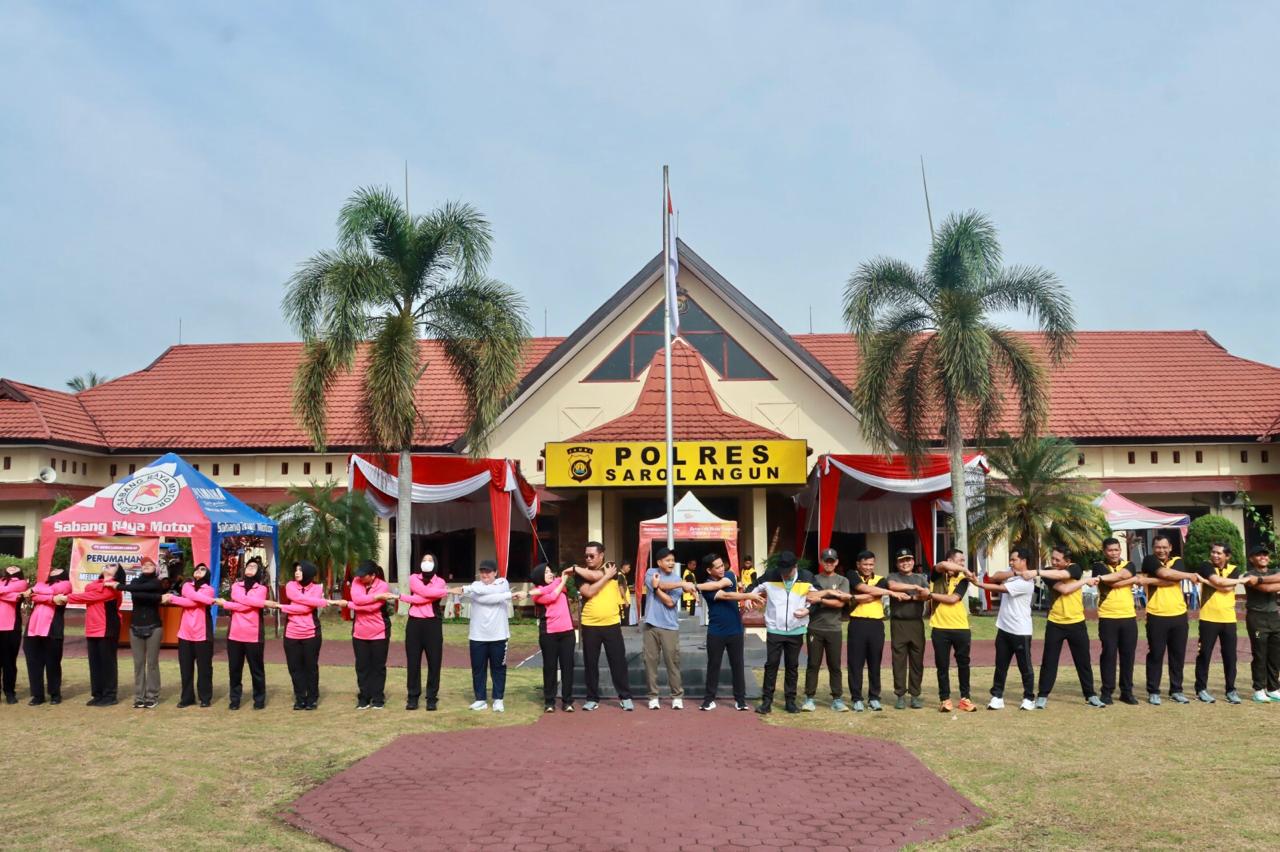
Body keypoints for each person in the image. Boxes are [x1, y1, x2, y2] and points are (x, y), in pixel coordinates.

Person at [748, 551, 825, 715]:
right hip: (775, 629)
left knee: (792, 666)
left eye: (788, 571)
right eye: (782, 570)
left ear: (795, 567)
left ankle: (790, 701)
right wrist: (748, 598)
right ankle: (766, 702)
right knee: (771, 665)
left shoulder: (807, 576)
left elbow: (819, 596)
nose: (784, 574)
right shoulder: (771, 575)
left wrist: (808, 610)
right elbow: (752, 587)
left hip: (796, 629)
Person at [1035, 546, 1104, 709]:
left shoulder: (1075, 568)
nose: (1054, 562)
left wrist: (1082, 580)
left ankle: (1090, 695)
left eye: (1058, 560)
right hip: (1055, 623)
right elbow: (1064, 589)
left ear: (1068, 561)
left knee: (1083, 662)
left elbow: (1066, 577)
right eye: (1053, 558)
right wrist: (1085, 582)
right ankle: (1042, 695)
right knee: (1049, 661)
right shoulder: (1048, 573)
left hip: (1077, 623)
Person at [971, 547, 1038, 710]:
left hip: (1020, 631)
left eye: (1014, 560)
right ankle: (997, 696)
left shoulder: (1027, 582)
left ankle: (1029, 698)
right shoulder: (1013, 573)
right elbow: (995, 577)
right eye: (1010, 559)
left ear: (1024, 561)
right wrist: (1014, 572)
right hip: (1003, 627)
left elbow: (1000, 588)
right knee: (1000, 665)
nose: (1011, 562)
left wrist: (978, 584)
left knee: (1025, 667)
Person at [695, 553, 762, 711]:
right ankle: (709, 700)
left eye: (721, 565)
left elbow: (724, 585)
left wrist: (695, 586)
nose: (721, 569)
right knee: (714, 665)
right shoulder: (707, 587)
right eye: (717, 567)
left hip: (735, 630)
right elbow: (725, 594)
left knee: (737, 664)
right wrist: (748, 595)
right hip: (716, 631)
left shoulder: (729, 575)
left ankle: (740, 700)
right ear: (709, 570)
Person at [1142, 534, 1203, 705]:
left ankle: (1176, 690)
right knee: (1156, 654)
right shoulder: (1149, 560)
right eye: (1158, 547)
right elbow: (1166, 575)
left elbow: (1171, 577)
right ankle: (1153, 691)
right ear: (1153, 548)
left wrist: (1147, 580)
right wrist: (1185, 575)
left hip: (1178, 615)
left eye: (1164, 547)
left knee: (1178, 655)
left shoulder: (1177, 561)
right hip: (1156, 614)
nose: (1161, 550)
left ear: (1170, 548)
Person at [573, 542, 634, 711]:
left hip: (611, 623)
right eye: (586, 556)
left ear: (601, 555)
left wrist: (575, 568)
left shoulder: (610, 566)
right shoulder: (581, 574)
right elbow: (589, 592)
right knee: (590, 663)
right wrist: (602, 576)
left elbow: (594, 579)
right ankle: (592, 698)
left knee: (618, 661)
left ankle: (625, 696)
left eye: (592, 555)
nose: (588, 559)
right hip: (589, 624)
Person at [846, 550, 908, 712]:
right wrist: (890, 592)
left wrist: (868, 593)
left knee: (875, 663)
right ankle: (857, 698)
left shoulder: (881, 579)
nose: (868, 567)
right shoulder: (851, 575)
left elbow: (869, 593)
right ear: (858, 564)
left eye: (871, 564)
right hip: (857, 623)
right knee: (855, 663)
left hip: (876, 625)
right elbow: (862, 588)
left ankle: (874, 697)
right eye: (865, 564)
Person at [333, 560, 396, 710]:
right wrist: (375, 597)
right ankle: (364, 697)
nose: (360, 578)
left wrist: (348, 605)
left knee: (378, 667)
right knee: (362, 666)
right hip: (360, 632)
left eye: (364, 576)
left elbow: (372, 609)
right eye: (359, 575)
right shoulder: (356, 581)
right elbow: (358, 599)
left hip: (379, 632)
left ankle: (378, 698)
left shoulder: (383, 586)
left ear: (373, 576)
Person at [1091, 537, 1146, 705]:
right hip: (1108, 617)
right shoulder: (1098, 566)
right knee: (1108, 654)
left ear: (1120, 551)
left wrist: (1120, 578)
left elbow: (1120, 576)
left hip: (1128, 617)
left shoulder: (1129, 564)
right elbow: (1114, 583)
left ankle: (1126, 691)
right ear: (1104, 551)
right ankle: (1107, 691)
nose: (1114, 553)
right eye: (1110, 550)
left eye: (1116, 550)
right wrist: (1133, 579)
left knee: (1128, 656)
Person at [60, 565, 125, 706]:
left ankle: (110, 696)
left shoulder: (114, 588)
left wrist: (66, 598)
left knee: (108, 663)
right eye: (107, 564)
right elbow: (90, 591)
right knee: (94, 663)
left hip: (108, 628)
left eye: (113, 565)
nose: (108, 564)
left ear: (118, 573)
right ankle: (98, 694)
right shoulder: (94, 585)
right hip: (92, 627)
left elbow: (91, 596)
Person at [1193, 541, 1249, 704]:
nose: (1215, 555)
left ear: (1227, 556)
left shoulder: (1233, 569)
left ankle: (1231, 690)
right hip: (1208, 618)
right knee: (1204, 655)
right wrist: (1239, 581)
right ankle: (1201, 689)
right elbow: (1221, 584)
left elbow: (1225, 588)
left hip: (1228, 619)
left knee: (1230, 656)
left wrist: (1205, 581)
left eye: (1219, 553)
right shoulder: (1205, 566)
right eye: (1213, 552)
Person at [215, 556, 271, 710]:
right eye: (248, 566)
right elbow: (243, 601)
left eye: (254, 566)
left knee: (256, 670)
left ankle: (259, 699)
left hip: (253, 635)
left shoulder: (262, 589)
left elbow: (247, 606)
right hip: (234, 635)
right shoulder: (236, 586)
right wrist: (239, 603)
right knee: (234, 670)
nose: (250, 568)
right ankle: (235, 699)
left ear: (259, 571)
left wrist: (227, 605)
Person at [802, 548, 851, 712]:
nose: (829, 563)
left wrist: (820, 599)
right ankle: (809, 698)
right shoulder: (813, 579)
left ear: (836, 562)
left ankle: (837, 699)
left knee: (835, 665)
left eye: (832, 561)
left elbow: (840, 604)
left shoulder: (843, 580)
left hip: (834, 628)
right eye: (826, 560)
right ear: (821, 562)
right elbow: (809, 597)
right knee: (813, 664)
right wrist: (830, 595)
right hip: (815, 628)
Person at [927, 549, 977, 713]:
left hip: (961, 628)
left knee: (963, 664)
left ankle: (965, 698)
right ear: (949, 560)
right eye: (960, 560)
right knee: (942, 666)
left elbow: (953, 599)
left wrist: (930, 595)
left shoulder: (963, 579)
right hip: (940, 627)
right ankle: (945, 699)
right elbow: (941, 565)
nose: (963, 564)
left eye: (964, 561)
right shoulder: (937, 575)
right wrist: (963, 568)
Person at [463, 560, 515, 713]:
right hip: (477, 635)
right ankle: (480, 699)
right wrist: (507, 595)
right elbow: (486, 597)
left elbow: (486, 596)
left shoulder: (502, 583)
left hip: (499, 635)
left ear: (495, 573)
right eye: (482, 571)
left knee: (498, 668)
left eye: (488, 571)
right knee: (478, 669)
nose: (485, 574)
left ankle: (498, 699)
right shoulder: (476, 585)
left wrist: (502, 594)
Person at [162, 562, 217, 708]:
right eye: (197, 569)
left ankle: (205, 697)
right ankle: (187, 697)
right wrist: (192, 599)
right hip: (185, 634)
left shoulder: (209, 589)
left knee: (204, 668)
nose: (199, 571)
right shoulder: (187, 585)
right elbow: (191, 599)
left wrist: (172, 598)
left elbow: (193, 602)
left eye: (203, 569)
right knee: (185, 668)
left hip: (203, 634)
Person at [644, 546, 690, 710]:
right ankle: (653, 697)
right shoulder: (651, 572)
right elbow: (660, 585)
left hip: (669, 627)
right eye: (668, 560)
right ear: (659, 562)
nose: (671, 563)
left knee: (673, 663)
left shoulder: (677, 578)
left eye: (673, 560)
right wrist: (661, 586)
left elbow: (670, 602)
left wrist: (657, 588)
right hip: (650, 625)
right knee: (650, 663)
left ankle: (677, 696)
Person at [400, 553, 448, 711]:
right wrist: (442, 592)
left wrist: (406, 598)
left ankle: (431, 698)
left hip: (433, 624)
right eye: (424, 560)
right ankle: (413, 697)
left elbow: (424, 596)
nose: (426, 563)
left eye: (430, 560)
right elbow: (425, 594)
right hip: (414, 623)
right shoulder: (414, 578)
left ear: (435, 563)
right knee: (413, 662)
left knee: (434, 662)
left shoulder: (440, 581)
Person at [280, 561, 329, 711]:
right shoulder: (290, 585)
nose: (297, 572)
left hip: (311, 633)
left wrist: (288, 607)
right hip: (291, 633)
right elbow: (306, 606)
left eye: (300, 570)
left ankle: (312, 698)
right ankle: (300, 697)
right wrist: (314, 603)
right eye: (295, 570)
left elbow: (308, 608)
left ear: (308, 572)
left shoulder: (317, 588)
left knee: (310, 667)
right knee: (295, 668)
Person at [885, 548, 931, 709]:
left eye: (908, 559)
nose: (905, 563)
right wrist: (916, 590)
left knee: (917, 661)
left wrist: (913, 596)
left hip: (916, 623)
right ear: (897, 563)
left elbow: (927, 594)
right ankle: (900, 695)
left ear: (913, 561)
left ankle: (915, 694)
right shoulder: (892, 576)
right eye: (902, 560)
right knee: (899, 660)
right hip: (899, 623)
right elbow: (892, 586)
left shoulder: (920, 577)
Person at [20, 565, 71, 705]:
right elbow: (44, 595)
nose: (54, 570)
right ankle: (37, 695)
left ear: (64, 573)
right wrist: (51, 599)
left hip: (52, 629)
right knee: (33, 664)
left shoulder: (66, 584)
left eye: (58, 569)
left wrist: (34, 592)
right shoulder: (41, 583)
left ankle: (55, 694)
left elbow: (54, 591)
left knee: (52, 663)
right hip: (32, 629)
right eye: (52, 569)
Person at [530, 562, 576, 712]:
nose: (550, 574)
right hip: (549, 634)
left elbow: (558, 587)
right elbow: (551, 596)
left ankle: (567, 701)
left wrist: (561, 580)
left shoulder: (559, 585)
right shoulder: (537, 593)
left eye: (551, 571)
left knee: (567, 667)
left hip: (567, 633)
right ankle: (549, 701)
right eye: (546, 572)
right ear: (539, 576)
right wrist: (561, 580)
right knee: (550, 668)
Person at [123, 557, 165, 709]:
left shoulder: (157, 582)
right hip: (135, 627)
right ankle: (139, 696)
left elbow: (146, 591)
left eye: (150, 564)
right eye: (144, 565)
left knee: (152, 663)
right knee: (138, 663)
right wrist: (157, 597)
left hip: (154, 626)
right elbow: (138, 594)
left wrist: (121, 587)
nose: (147, 566)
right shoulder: (135, 582)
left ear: (155, 568)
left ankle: (152, 695)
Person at [1241, 544, 1280, 702]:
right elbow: (1265, 589)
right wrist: (1264, 583)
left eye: (1265, 554)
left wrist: (1261, 580)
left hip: (1274, 616)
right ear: (1251, 559)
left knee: (1275, 655)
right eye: (1258, 555)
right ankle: (1258, 688)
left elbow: (1269, 583)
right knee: (1260, 654)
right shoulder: (1248, 574)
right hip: (1256, 617)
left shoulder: (1274, 571)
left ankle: (1273, 688)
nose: (1263, 557)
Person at [0, 564, 29, 704]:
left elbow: (17, 597)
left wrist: (6, 594)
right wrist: (9, 595)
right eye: (9, 566)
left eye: (15, 567)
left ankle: (10, 692)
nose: (11, 567)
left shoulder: (22, 583)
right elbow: (12, 595)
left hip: (11, 628)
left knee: (9, 663)